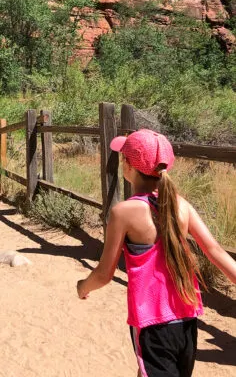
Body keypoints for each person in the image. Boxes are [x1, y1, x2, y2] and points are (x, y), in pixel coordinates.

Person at [76, 129, 236, 377]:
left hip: (153, 322)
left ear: (128, 166)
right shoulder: (180, 204)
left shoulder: (124, 212)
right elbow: (214, 251)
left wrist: (83, 286)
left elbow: (104, 274)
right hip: (186, 319)